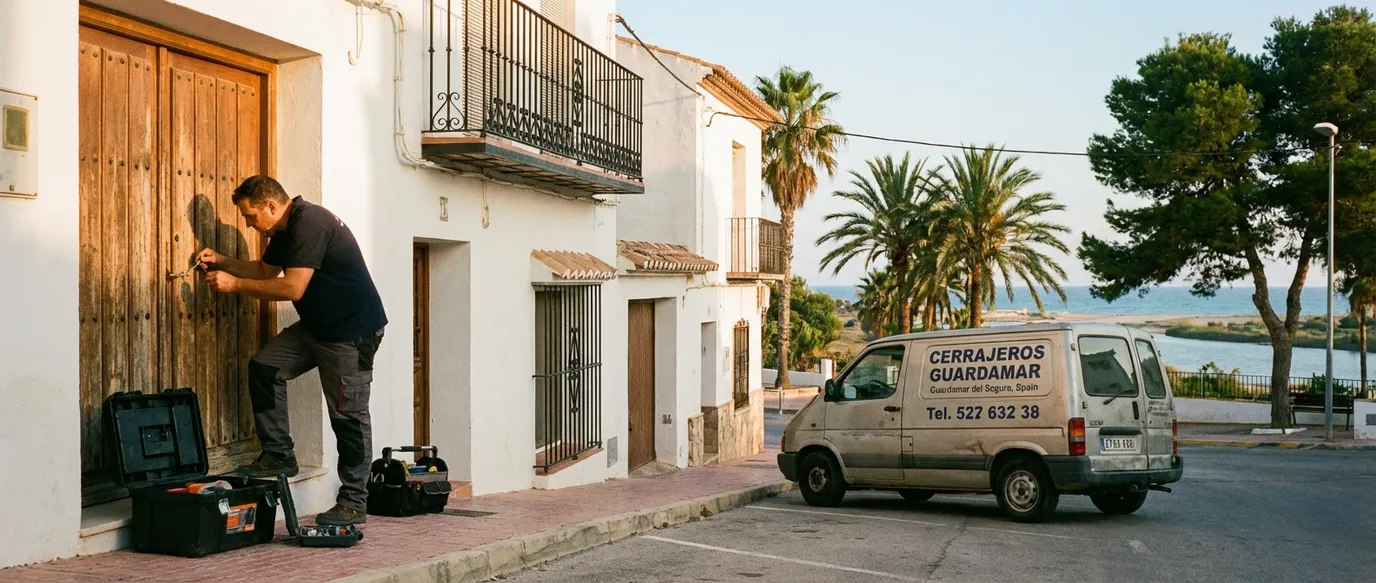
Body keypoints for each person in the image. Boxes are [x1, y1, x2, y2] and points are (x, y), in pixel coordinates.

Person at [200, 175, 387, 526]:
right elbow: (264, 270)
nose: (250, 225)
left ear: (271, 205)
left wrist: (235, 285)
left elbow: (293, 287)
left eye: (252, 217)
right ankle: (278, 454)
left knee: (348, 417)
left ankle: (353, 502)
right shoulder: (282, 231)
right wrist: (223, 262)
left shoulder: (310, 223)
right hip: (318, 327)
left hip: (351, 333)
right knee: (265, 368)